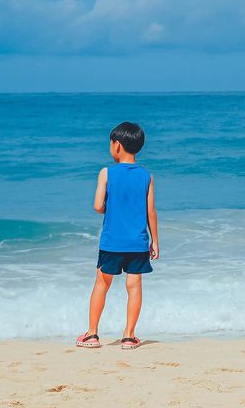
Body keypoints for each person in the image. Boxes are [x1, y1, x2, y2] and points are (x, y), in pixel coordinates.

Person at [76, 122, 159, 350]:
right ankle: (129, 336)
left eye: (111, 144)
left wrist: (107, 208)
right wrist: (155, 242)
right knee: (134, 286)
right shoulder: (146, 176)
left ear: (118, 145)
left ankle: (92, 334)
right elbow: (150, 212)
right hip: (138, 242)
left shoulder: (106, 172)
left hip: (112, 241)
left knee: (102, 284)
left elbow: (97, 206)